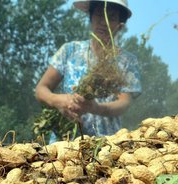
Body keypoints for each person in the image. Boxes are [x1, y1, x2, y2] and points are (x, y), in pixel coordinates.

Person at [35, 0, 141, 140]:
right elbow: (41, 89)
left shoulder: (127, 61)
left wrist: (95, 108)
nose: (104, 22)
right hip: (64, 144)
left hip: (106, 144)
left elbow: (124, 102)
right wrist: (58, 100)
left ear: (120, 25)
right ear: (90, 17)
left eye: (112, 17)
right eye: (98, 14)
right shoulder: (69, 51)